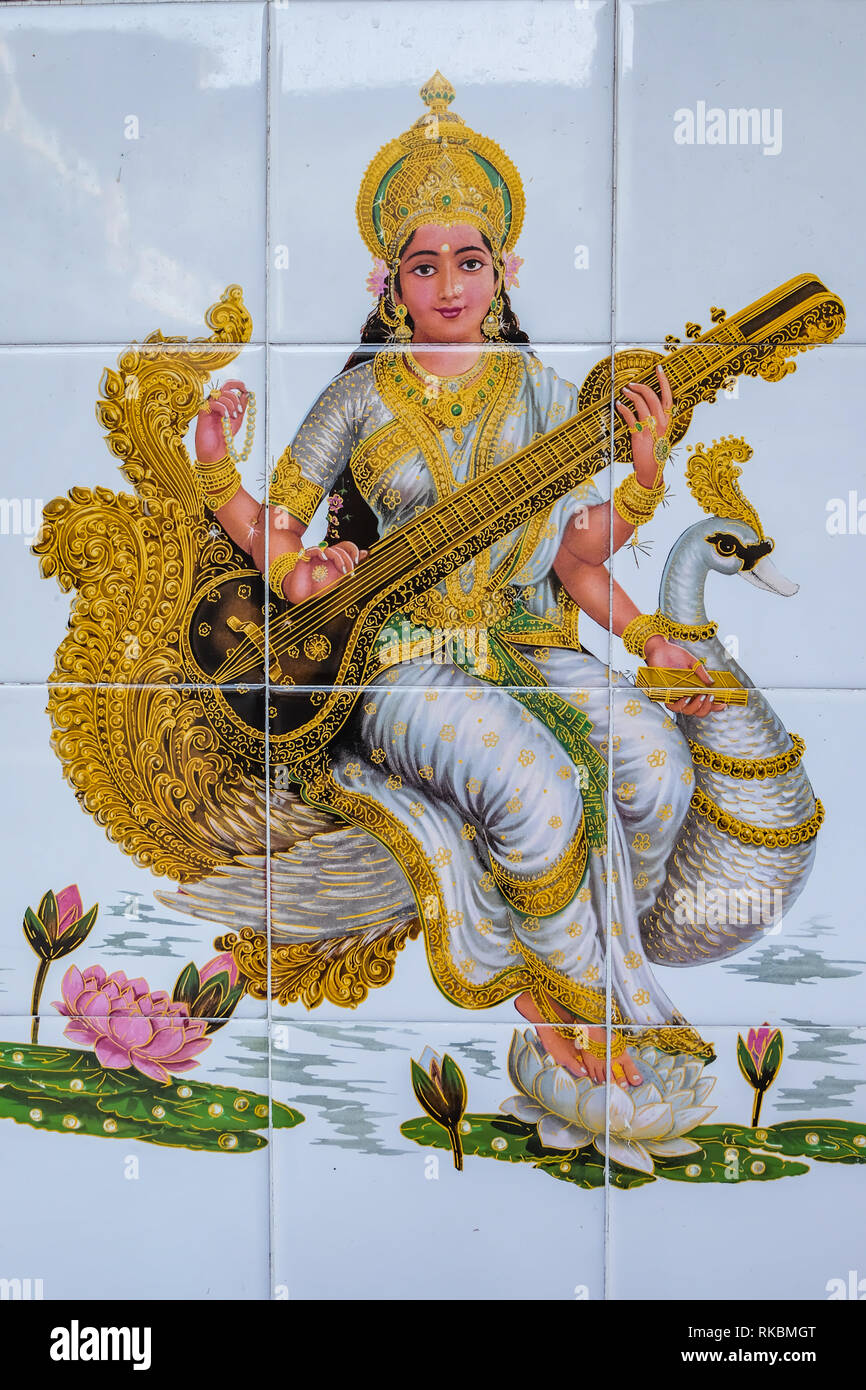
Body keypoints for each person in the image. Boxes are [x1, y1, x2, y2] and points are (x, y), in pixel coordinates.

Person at [193, 74, 721, 1085]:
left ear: (503, 269)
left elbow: (572, 558)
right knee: (534, 782)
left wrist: (644, 498)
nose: (447, 285)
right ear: (386, 283)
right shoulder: (354, 399)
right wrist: (220, 474)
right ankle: (580, 1019)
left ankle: (566, 969)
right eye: (422, 265)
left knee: (655, 765)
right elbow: (278, 538)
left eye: (467, 261)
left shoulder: (546, 395)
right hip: (395, 661)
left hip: (519, 642)